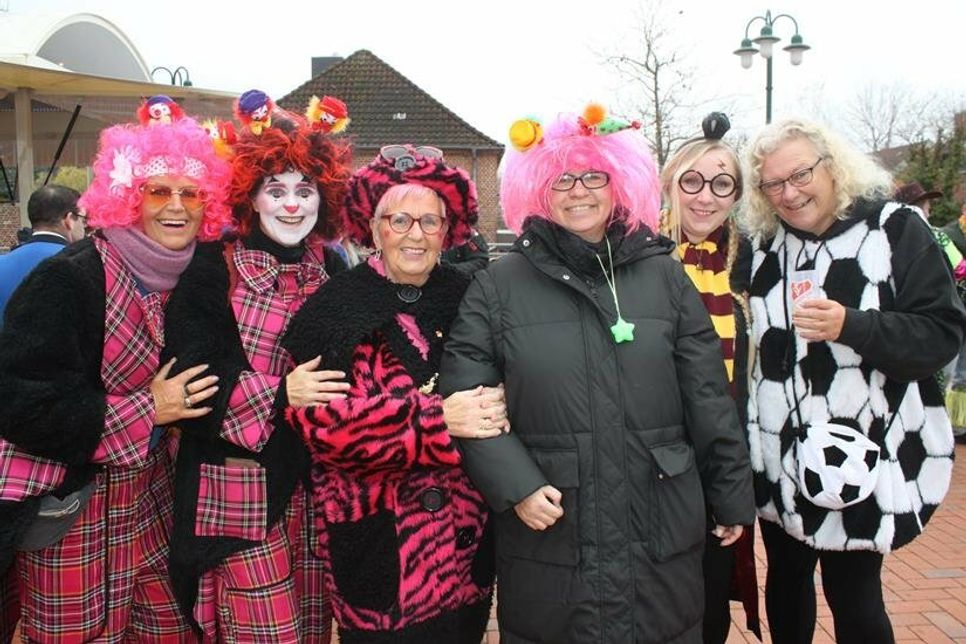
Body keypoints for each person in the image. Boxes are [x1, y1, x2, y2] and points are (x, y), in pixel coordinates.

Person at [439, 104, 754, 643]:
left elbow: (707, 393)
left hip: (660, 517)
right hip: (553, 521)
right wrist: (516, 486)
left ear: (619, 183)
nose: (578, 190)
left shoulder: (665, 276)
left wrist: (729, 492)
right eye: (562, 177)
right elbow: (468, 398)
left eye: (593, 176)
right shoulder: (498, 286)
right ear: (539, 188)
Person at [0, 102, 231, 641]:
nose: (176, 206)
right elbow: (19, 404)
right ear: (127, 196)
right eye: (158, 191)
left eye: (191, 192)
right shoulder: (69, 280)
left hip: (153, 501)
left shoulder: (199, 276)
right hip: (71, 510)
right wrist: (149, 409)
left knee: (172, 631)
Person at [743, 118, 966, 644]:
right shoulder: (764, 245)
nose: (789, 193)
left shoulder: (895, 228)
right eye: (773, 184)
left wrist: (853, 325)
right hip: (780, 449)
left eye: (800, 174)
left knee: (854, 589)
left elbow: (939, 333)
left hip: (865, 446)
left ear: (832, 164)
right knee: (788, 577)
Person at [281, 144, 501, 642]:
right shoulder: (334, 305)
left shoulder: (472, 296)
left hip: (465, 551)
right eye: (399, 220)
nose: (415, 235)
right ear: (374, 228)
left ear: (449, 230)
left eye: (430, 221)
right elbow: (324, 427)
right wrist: (436, 421)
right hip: (383, 555)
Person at [163, 94, 352, 643]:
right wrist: (279, 392)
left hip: (316, 488)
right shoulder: (209, 268)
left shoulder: (332, 265)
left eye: (304, 191)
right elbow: (187, 380)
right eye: (276, 190)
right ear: (251, 197)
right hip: (237, 491)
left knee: (312, 628)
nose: (291, 205)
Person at [659, 112, 760, 643]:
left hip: (720, 453)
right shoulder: (635, 255)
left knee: (713, 594)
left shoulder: (749, 262)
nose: (705, 197)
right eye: (692, 181)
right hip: (654, 458)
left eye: (722, 184)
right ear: (670, 182)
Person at [0, 184, 84, 323]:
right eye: (82, 218)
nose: (84, 225)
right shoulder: (81, 263)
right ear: (69, 220)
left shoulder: (2, 263)